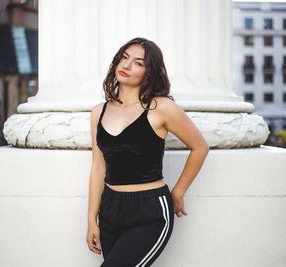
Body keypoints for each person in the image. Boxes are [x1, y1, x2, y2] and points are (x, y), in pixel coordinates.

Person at [86, 37, 209, 266]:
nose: (126, 65)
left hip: (150, 211)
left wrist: (179, 191)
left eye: (138, 63)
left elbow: (200, 147)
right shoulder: (98, 112)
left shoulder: (161, 108)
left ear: (149, 72)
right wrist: (92, 219)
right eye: (124, 58)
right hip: (110, 209)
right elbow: (98, 167)